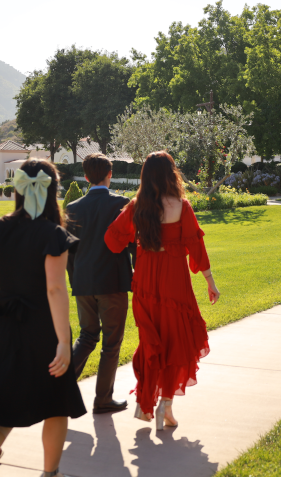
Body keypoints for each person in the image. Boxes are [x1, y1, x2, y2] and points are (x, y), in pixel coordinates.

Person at [0, 159, 86, 477]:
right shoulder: (53, 234)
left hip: (4, 328)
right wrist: (65, 343)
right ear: (51, 191)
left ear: (19, 189)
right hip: (44, 331)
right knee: (55, 407)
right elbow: (55, 289)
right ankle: (49, 473)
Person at [104, 151, 218, 431]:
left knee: (151, 341)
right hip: (174, 280)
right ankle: (165, 403)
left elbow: (112, 240)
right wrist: (209, 281)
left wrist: (139, 240)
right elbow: (196, 246)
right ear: (171, 174)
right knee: (176, 341)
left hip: (145, 280)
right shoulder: (182, 205)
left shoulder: (136, 207)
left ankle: (145, 404)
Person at [64, 153, 135, 414]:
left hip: (83, 282)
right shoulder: (122, 203)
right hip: (112, 282)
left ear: (85, 176)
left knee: (87, 335)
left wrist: (75, 280)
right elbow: (131, 244)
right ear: (110, 174)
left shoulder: (72, 207)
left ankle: (59, 387)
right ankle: (103, 399)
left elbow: (69, 250)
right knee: (111, 342)